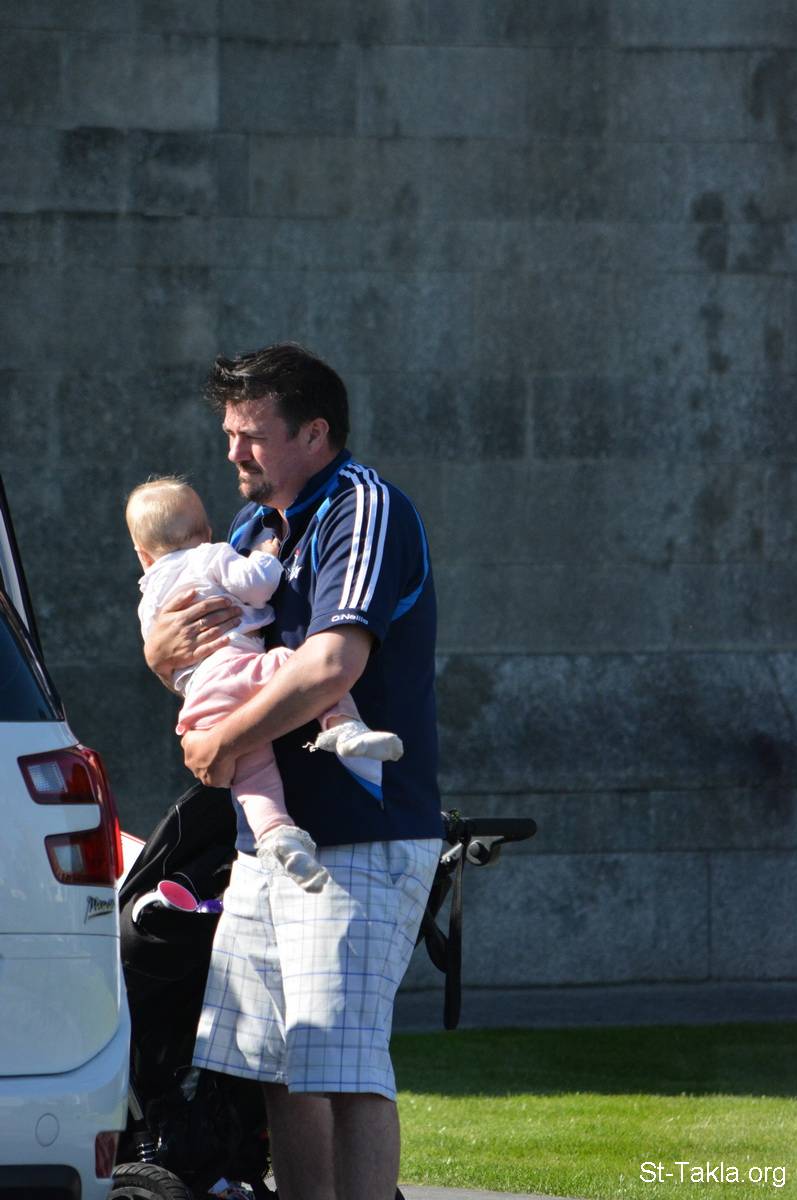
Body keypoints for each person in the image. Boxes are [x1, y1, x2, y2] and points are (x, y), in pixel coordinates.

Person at [143, 342, 443, 1200]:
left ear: (315, 433)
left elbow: (331, 665)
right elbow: (201, 656)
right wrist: (160, 656)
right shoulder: (247, 532)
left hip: (359, 834)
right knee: (279, 1068)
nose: (233, 451)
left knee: (345, 1070)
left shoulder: (364, 507)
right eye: (229, 433)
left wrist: (216, 744)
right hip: (269, 844)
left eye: (251, 434)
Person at [125, 475, 403, 892]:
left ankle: (275, 834)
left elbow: (167, 657)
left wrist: (158, 658)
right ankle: (343, 727)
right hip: (240, 668)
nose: (233, 455)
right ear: (206, 532)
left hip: (203, 699)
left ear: (143, 555)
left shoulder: (149, 597)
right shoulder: (211, 553)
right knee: (294, 664)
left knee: (251, 772)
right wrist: (266, 557)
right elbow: (257, 587)